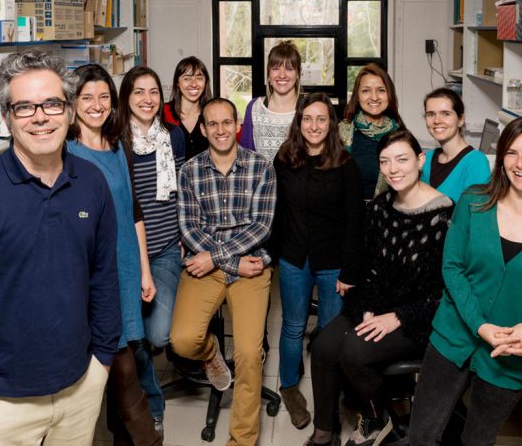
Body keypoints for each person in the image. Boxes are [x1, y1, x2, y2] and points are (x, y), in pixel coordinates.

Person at [0, 49, 120, 445]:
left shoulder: (92, 183)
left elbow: (103, 278)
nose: (40, 117)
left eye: (51, 103)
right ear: (6, 117)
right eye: (24, 106)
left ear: (69, 111)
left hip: (79, 389)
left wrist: (101, 361)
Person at [408, 116, 522, 446]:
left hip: (511, 355)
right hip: (452, 339)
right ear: (501, 158)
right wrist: (480, 326)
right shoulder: (474, 203)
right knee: (422, 436)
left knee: (477, 440)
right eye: (512, 152)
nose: (521, 163)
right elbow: (452, 268)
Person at [306, 130, 454, 446]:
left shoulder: (445, 215)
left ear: (420, 160)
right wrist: (369, 305)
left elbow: (444, 294)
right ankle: (324, 430)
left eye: (402, 159)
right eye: (385, 162)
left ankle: (376, 418)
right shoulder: (380, 206)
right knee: (322, 347)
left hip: (419, 318)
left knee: (355, 351)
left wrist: (397, 317)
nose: (393, 169)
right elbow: (369, 267)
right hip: (377, 303)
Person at [170, 98, 276, 446]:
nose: (220, 130)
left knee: (247, 353)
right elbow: (189, 228)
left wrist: (217, 257)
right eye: (212, 124)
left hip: (251, 266)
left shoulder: (261, 168)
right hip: (212, 265)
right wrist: (226, 261)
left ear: (237, 126)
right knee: (183, 341)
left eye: (226, 123)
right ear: (202, 129)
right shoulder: (189, 171)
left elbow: (261, 227)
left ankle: (242, 439)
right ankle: (212, 354)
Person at [66, 64, 161, 445]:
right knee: (118, 367)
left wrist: (144, 270)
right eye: (87, 97)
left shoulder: (118, 143)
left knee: (125, 358)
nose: (96, 105)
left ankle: (123, 438)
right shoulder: (66, 152)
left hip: (123, 268)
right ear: (73, 104)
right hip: (91, 273)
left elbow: (132, 210)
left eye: (104, 96)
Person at [272, 93, 364, 429]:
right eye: (307, 119)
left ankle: (330, 392)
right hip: (294, 258)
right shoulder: (284, 160)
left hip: (333, 263)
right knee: (294, 327)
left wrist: (350, 270)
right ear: (299, 122)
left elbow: (356, 221)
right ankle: (290, 388)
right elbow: (277, 211)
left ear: (332, 124)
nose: (314, 126)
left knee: (329, 332)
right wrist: (274, 254)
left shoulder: (346, 165)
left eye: (321, 119)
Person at [116, 66, 186, 432]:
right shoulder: (115, 142)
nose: (147, 99)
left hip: (166, 250)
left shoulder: (173, 138)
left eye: (154, 92)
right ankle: (151, 404)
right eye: (139, 92)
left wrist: (186, 238)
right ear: (126, 97)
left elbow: (183, 195)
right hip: (128, 255)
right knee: (135, 335)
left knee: (157, 334)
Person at [340, 63, 405, 200]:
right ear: (357, 95)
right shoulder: (341, 132)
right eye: (366, 91)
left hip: (386, 216)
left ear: (389, 94)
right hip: (345, 215)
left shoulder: (401, 136)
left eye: (381, 90)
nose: (374, 97)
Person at [421, 87, 490, 202]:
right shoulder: (427, 159)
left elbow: (477, 214)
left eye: (445, 114)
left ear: (461, 120)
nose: (437, 120)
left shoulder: (476, 162)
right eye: (431, 114)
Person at [240, 40, 302, 161]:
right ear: (268, 74)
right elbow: (245, 156)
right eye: (275, 68)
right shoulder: (254, 107)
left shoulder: (309, 107)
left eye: (289, 68)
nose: (282, 75)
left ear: (298, 73)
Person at [163, 56, 213, 160]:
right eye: (187, 78)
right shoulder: (163, 112)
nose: (194, 84)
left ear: (205, 82)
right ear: (177, 83)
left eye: (199, 78)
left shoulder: (213, 114)